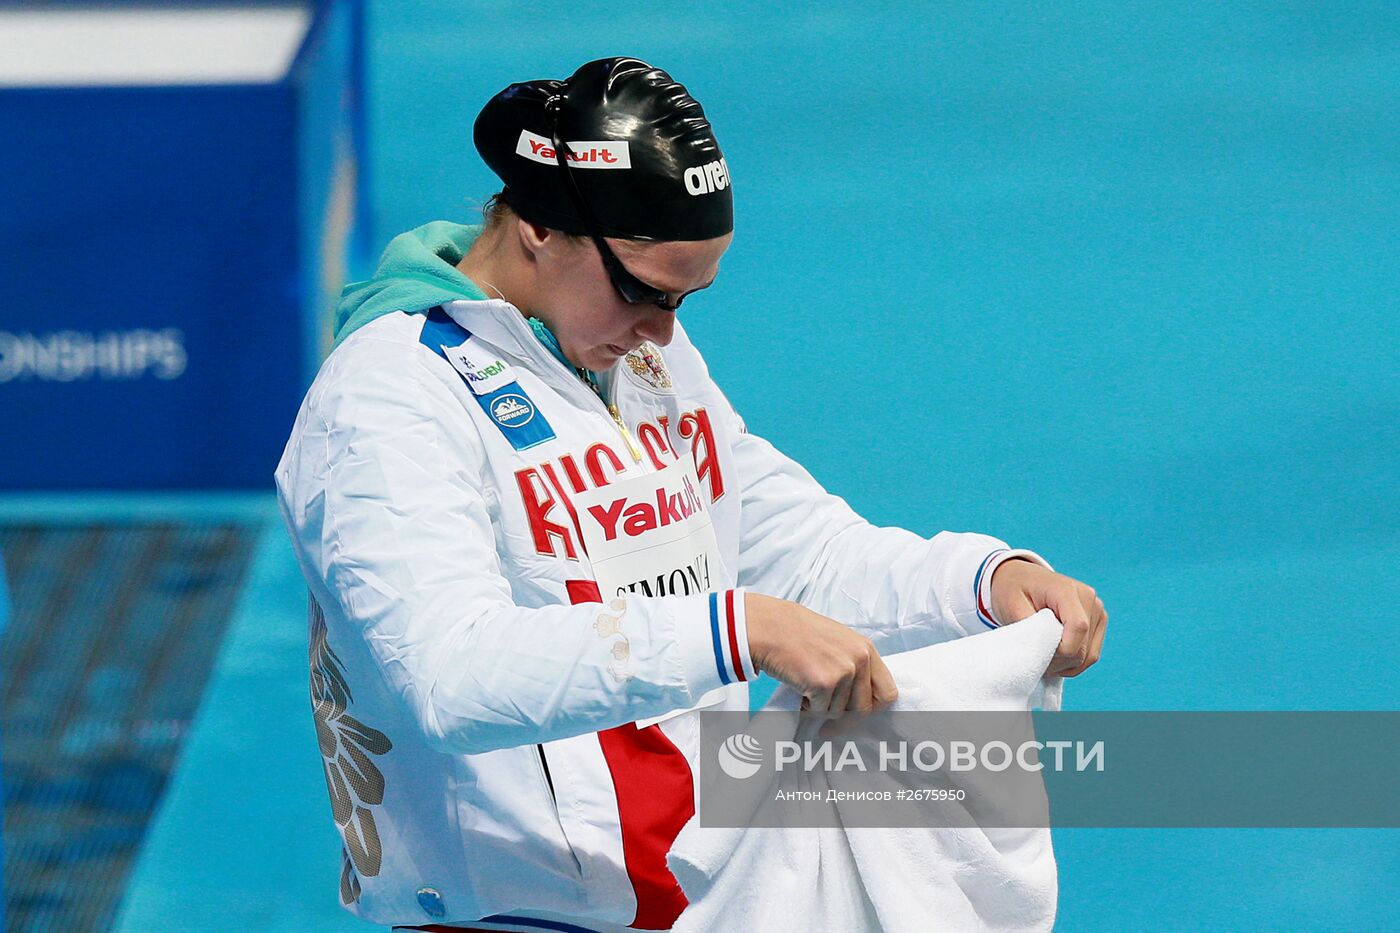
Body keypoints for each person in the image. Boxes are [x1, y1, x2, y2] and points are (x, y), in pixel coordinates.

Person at [277, 57, 1107, 933]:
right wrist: (735, 629)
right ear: (539, 228)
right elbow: (451, 673)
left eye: (686, 299)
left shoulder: (638, 358)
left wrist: (981, 581)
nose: (663, 332)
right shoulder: (385, 398)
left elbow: (796, 550)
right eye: (641, 288)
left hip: (702, 900)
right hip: (510, 917)